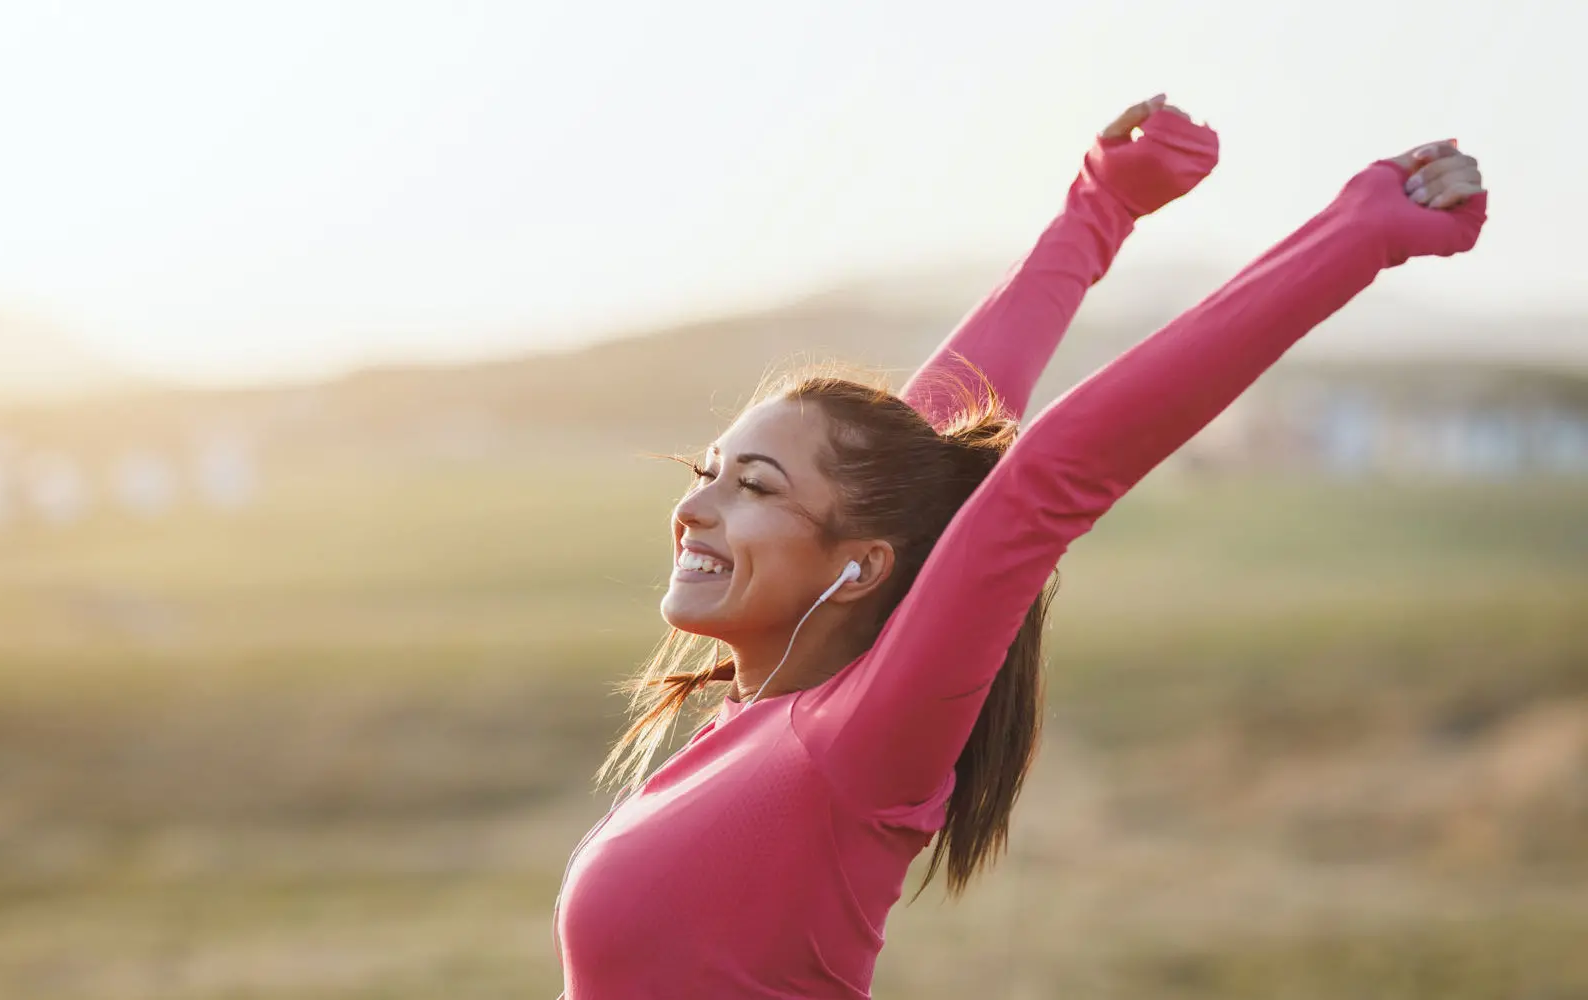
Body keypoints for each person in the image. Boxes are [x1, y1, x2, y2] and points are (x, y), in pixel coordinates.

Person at [552, 94, 1488, 999]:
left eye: (753, 486)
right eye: (707, 470)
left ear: (864, 566)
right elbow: (925, 458)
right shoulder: (756, 725)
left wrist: (1359, 235)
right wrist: (1100, 208)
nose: (693, 509)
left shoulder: (855, 748)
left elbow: (1044, 477)